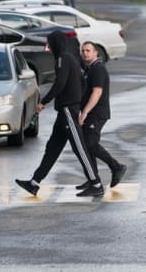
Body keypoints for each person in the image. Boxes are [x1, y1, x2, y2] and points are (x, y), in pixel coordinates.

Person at [15, 31, 104, 197]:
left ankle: (96, 183)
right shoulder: (67, 58)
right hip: (64, 111)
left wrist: (44, 101)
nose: (47, 48)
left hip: (68, 110)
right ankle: (34, 182)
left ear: (56, 43)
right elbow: (82, 82)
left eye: (49, 44)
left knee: (79, 148)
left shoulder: (63, 59)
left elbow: (60, 84)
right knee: (52, 148)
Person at [76, 41, 127, 195]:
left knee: (91, 144)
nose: (85, 53)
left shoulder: (98, 69)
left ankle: (116, 167)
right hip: (92, 113)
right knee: (87, 145)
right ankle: (93, 179)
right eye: (83, 50)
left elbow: (97, 93)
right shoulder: (90, 69)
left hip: (96, 113)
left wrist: (84, 112)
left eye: (88, 50)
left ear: (96, 53)